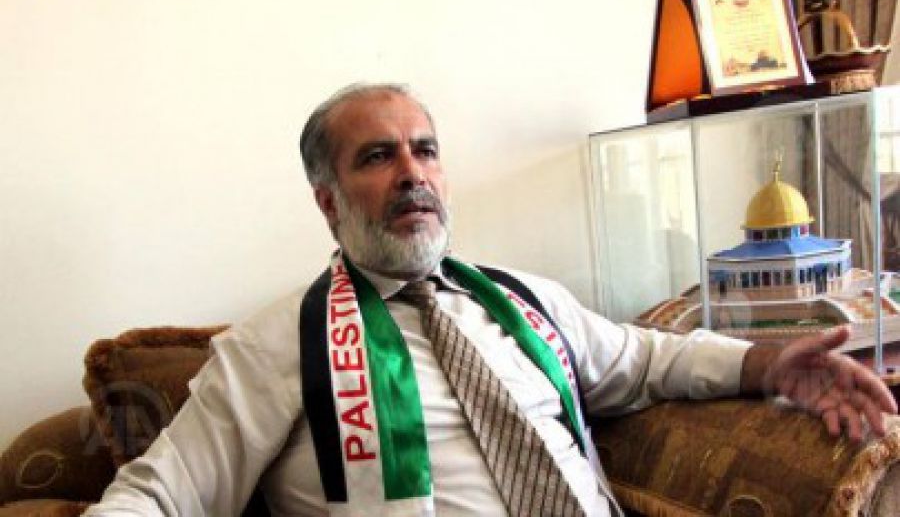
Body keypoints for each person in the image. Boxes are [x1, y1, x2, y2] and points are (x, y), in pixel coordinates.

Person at [85, 83, 898, 516]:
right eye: (377, 157)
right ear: (328, 201)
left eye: (425, 150)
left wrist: (770, 366)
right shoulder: (275, 346)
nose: (412, 172)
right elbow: (165, 491)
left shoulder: (521, 298)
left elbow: (648, 358)